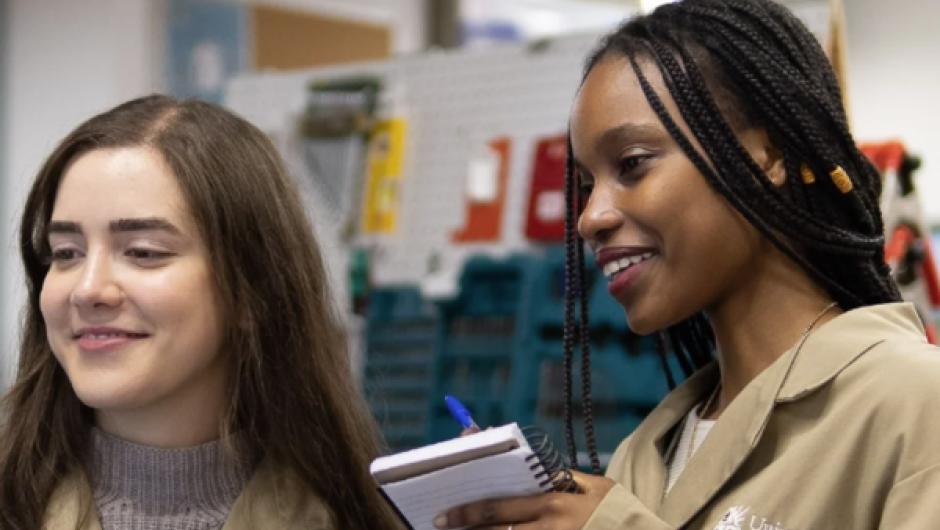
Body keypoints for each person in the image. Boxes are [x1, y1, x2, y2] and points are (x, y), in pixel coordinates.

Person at [434, 0, 940, 529]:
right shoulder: (648, 453)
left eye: (631, 164)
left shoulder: (912, 402)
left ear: (765, 154)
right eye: (586, 186)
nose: (589, 218)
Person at [0, 95, 401, 530]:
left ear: (252, 291)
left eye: (142, 252)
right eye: (66, 253)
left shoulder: (355, 519)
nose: (87, 289)